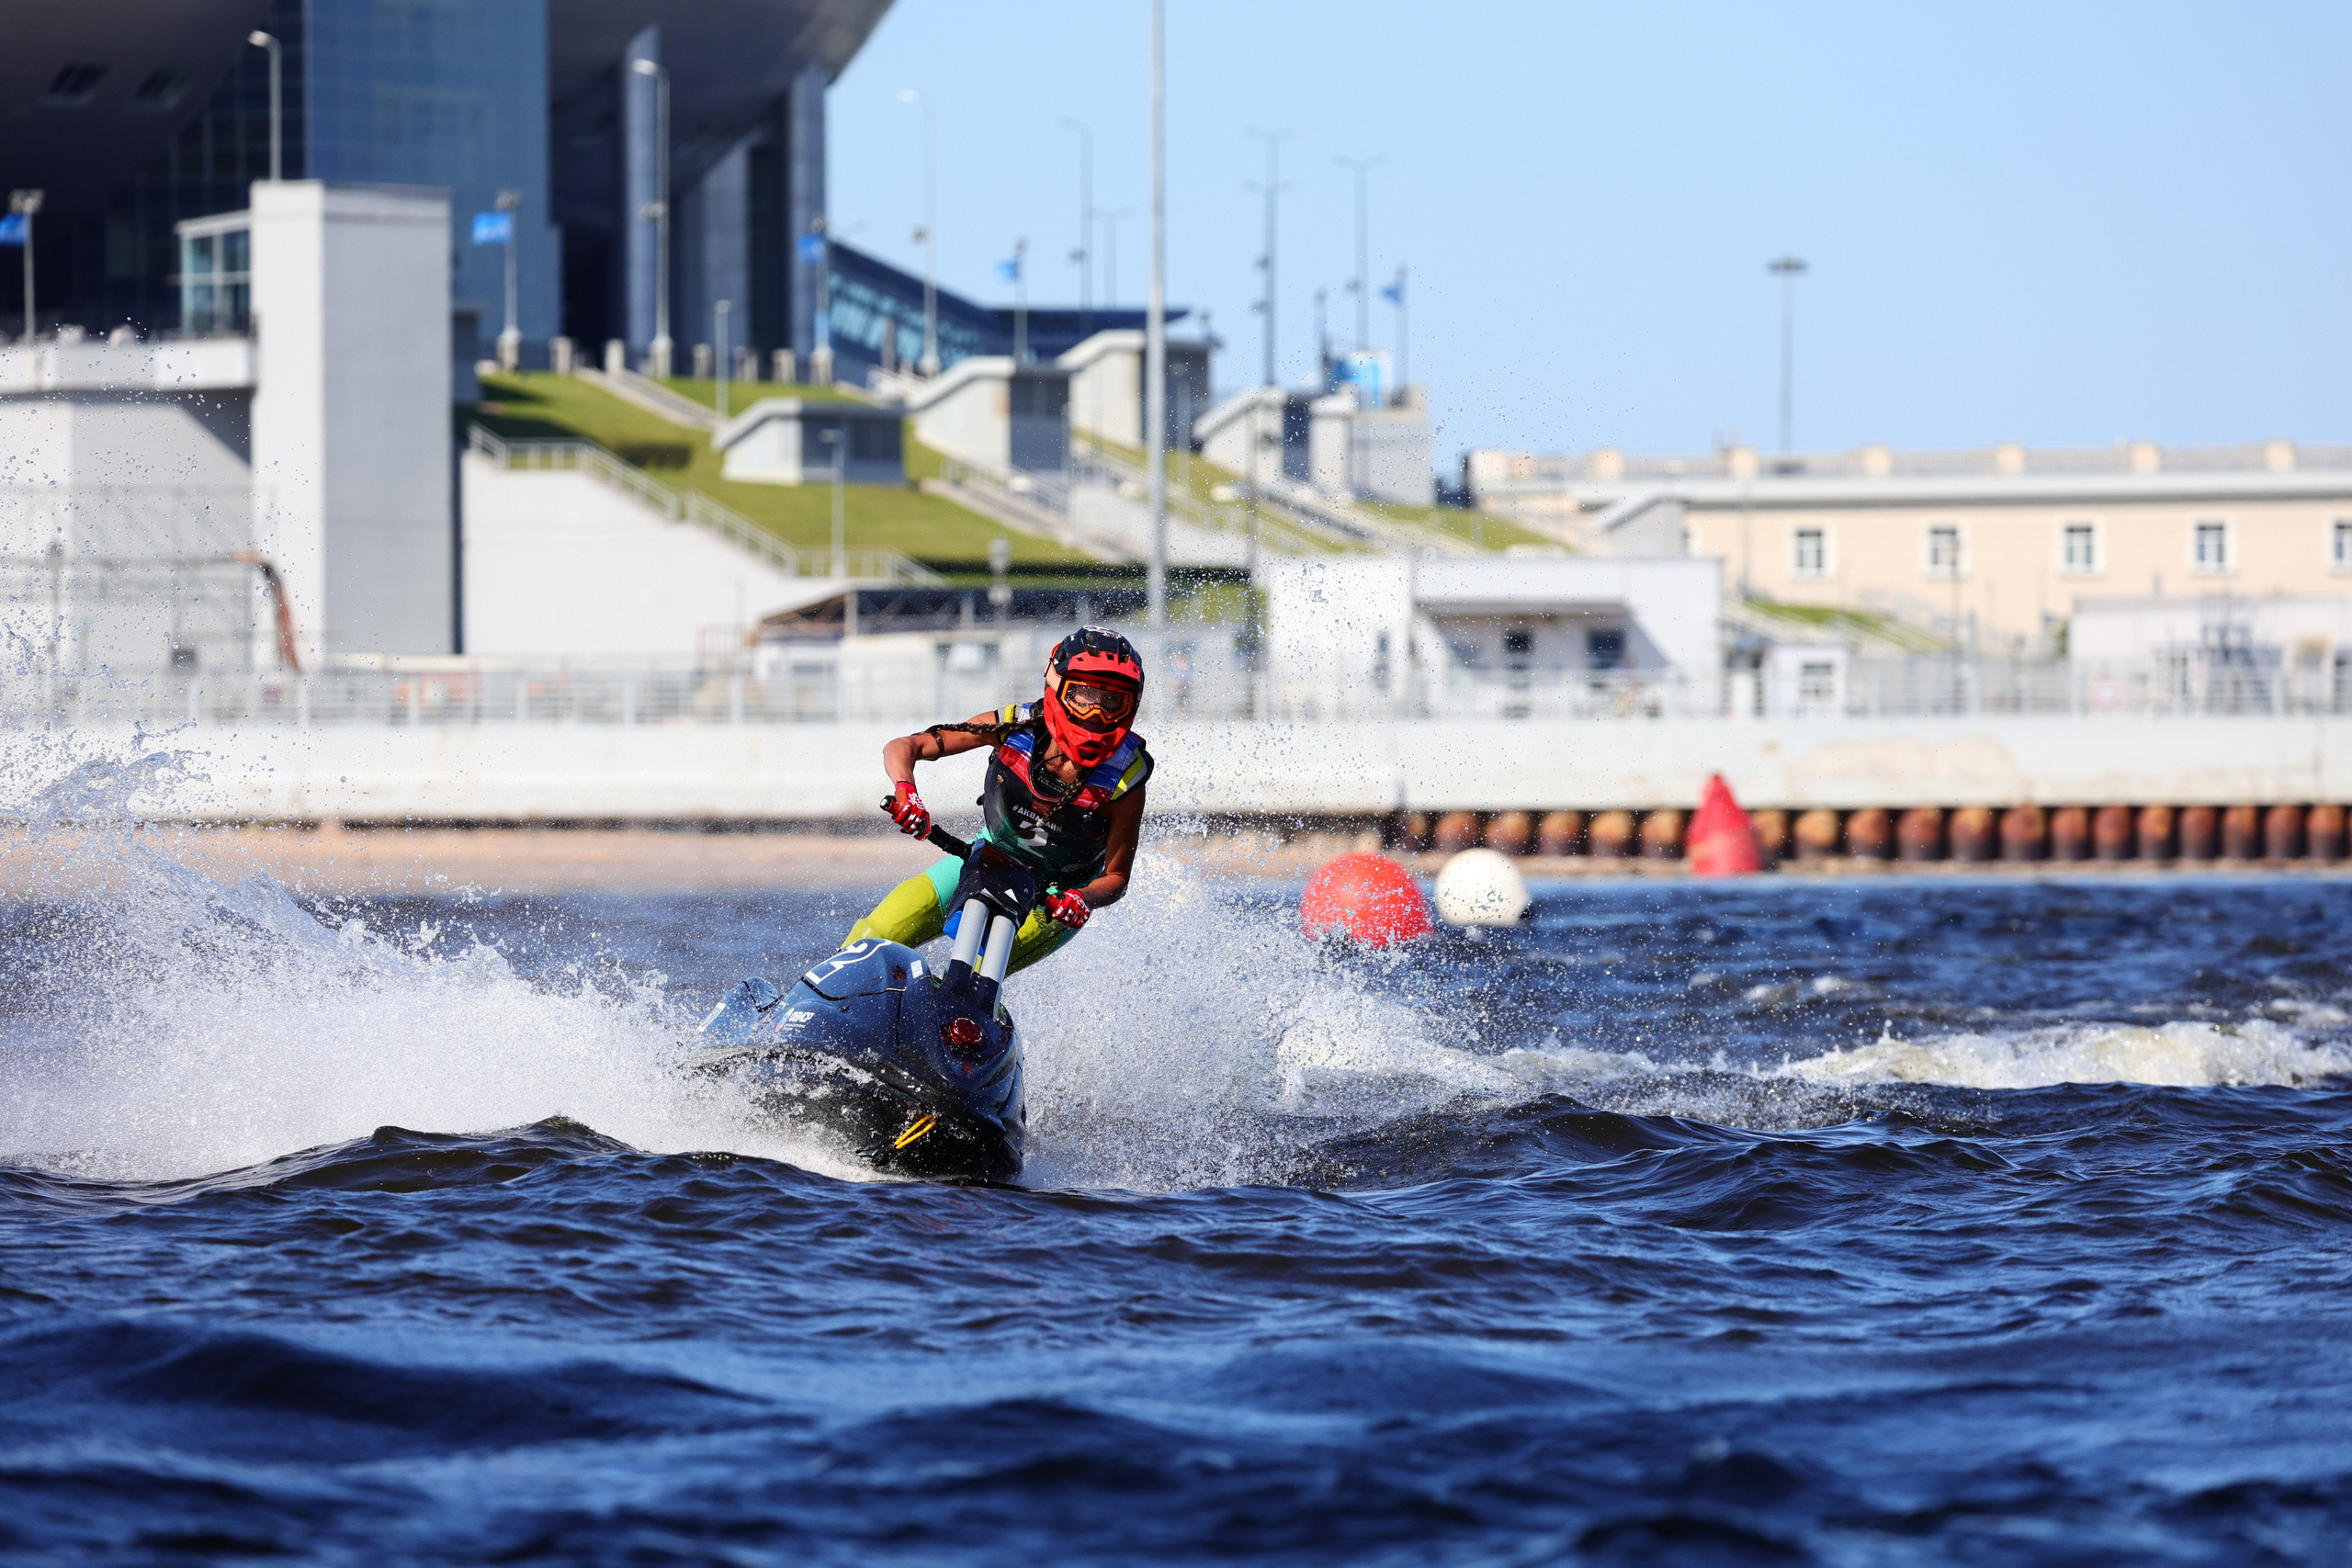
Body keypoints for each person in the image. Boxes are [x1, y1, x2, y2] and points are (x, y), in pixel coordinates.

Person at [845, 626, 1151, 976]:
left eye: (1112, 701)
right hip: (987, 857)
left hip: (1053, 899)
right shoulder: (1013, 725)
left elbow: (1115, 877)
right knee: (870, 940)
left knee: (975, 974)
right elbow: (905, 746)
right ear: (1055, 687)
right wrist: (906, 791)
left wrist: (1082, 898)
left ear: (1132, 704)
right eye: (1084, 695)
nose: (1097, 713)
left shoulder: (1125, 780)